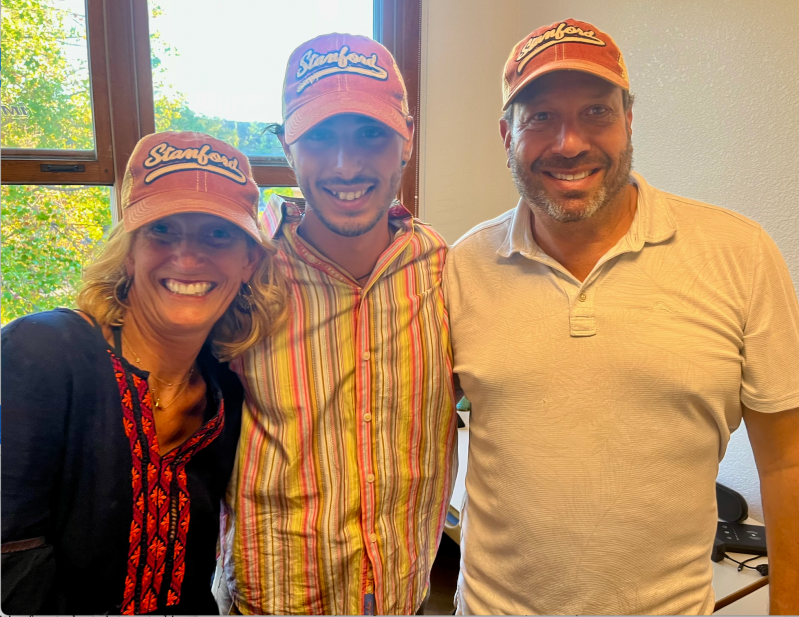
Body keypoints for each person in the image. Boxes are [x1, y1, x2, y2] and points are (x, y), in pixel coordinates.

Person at [444, 18, 799, 615]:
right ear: (506, 134)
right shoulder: (462, 267)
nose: (569, 143)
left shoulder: (739, 253)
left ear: (629, 120)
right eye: (541, 119)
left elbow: (787, 462)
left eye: (595, 112)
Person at [215, 33, 457, 615]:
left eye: (371, 134)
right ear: (287, 146)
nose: (346, 165)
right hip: (273, 597)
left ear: (407, 140)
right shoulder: (242, 272)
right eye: (320, 137)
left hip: (402, 592)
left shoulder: (447, 269)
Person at [1, 131, 287, 615]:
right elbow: (9, 566)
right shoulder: (39, 354)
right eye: (162, 230)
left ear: (248, 261)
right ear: (129, 253)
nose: (188, 256)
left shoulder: (226, 397)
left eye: (217, 233)